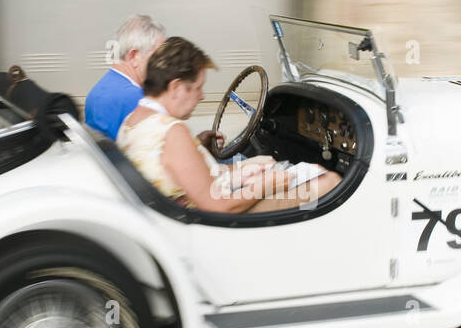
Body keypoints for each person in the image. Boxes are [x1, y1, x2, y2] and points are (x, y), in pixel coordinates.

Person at [118, 37, 340, 214]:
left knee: (268, 163)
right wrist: (269, 184)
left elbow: (176, 172)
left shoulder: (132, 122)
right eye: (198, 88)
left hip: (196, 204)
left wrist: (206, 152)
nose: (202, 96)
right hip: (221, 218)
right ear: (176, 87)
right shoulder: (172, 132)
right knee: (328, 182)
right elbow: (218, 206)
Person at [84, 14, 166, 141]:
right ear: (134, 56)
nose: (162, 65)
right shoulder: (137, 99)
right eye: (158, 57)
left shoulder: (98, 90)